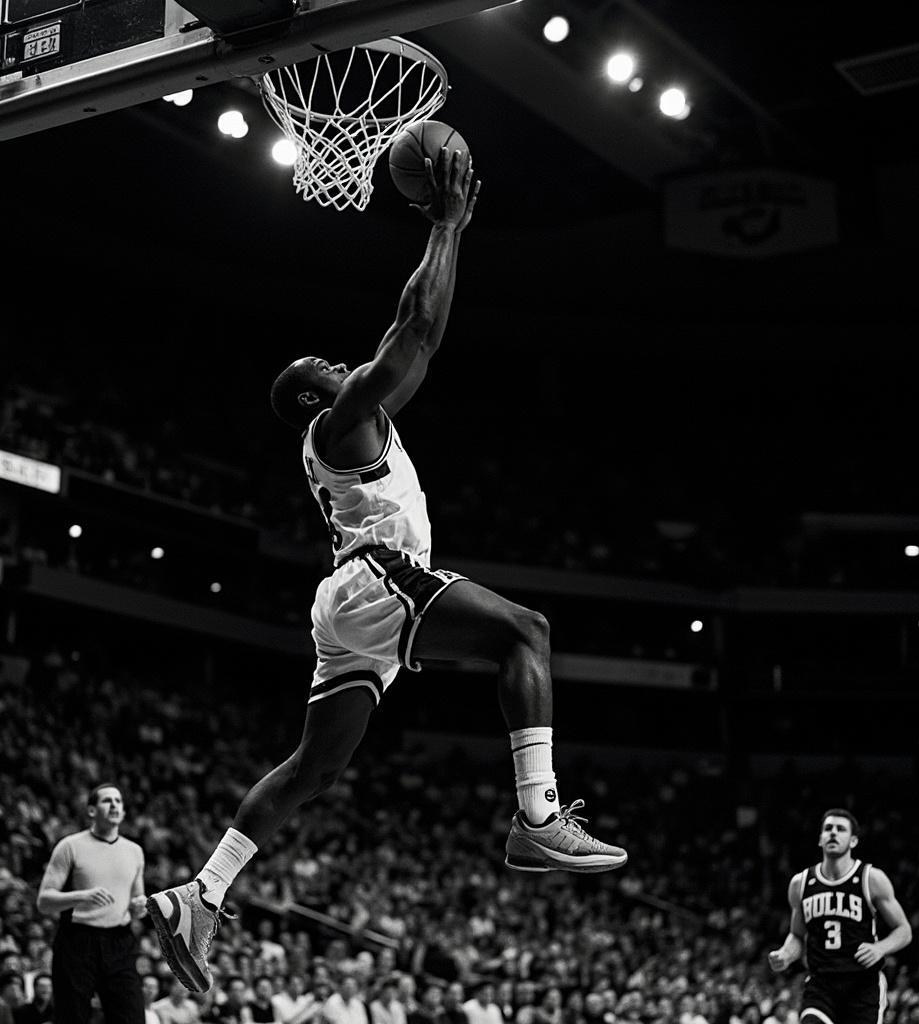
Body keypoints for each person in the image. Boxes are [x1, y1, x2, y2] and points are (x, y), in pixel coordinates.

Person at [146, 146, 627, 995]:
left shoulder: (348, 433)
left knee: (315, 769)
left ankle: (202, 891)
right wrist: (445, 226)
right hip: (376, 577)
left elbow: (416, 340)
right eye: (326, 368)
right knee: (527, 632)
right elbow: (414, 333)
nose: (340, 363)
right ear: (312, 397)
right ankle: (539, 818)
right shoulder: (338, 426)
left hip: (350, 600)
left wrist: (447, 238)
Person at [768, 808, 913, 1024]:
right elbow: (797, 935)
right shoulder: (801, 883)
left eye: (840, 829)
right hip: (822, 984)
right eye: (828, 829)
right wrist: (786, 954)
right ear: (820, 839)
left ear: (853, 841)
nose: (833, 833)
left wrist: (880, 948)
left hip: (862, 986)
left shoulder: (871, 878)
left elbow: (904, 930)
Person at [35, 782, 147, 1024]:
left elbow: (137, 903)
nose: (115, 805)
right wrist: (81, 896)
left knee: (132, 1018)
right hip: (77, 942)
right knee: (72, 1017)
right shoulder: (70, 846)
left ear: (124, 812)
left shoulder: (135, 851)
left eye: (118, 801)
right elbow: (44, 902)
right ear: (92, 811)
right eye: (107, 800)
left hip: (120, 943)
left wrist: (140, 907)